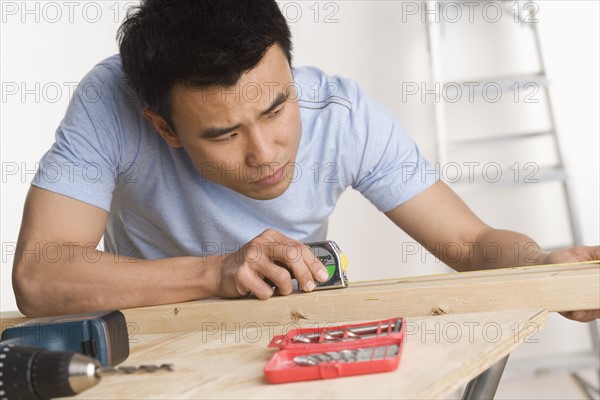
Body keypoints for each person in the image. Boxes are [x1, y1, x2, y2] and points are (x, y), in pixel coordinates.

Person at [12, 0, 598, 321]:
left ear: (291, 74)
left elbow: (471, 246)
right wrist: (216, 272)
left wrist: (544, 263)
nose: (265, 154)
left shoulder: (341, 113)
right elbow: (40, 277)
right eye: (222, 134)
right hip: (150, 344)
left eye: (276, 107)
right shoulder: (111, 99)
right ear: (163, 125)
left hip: (288, 335)